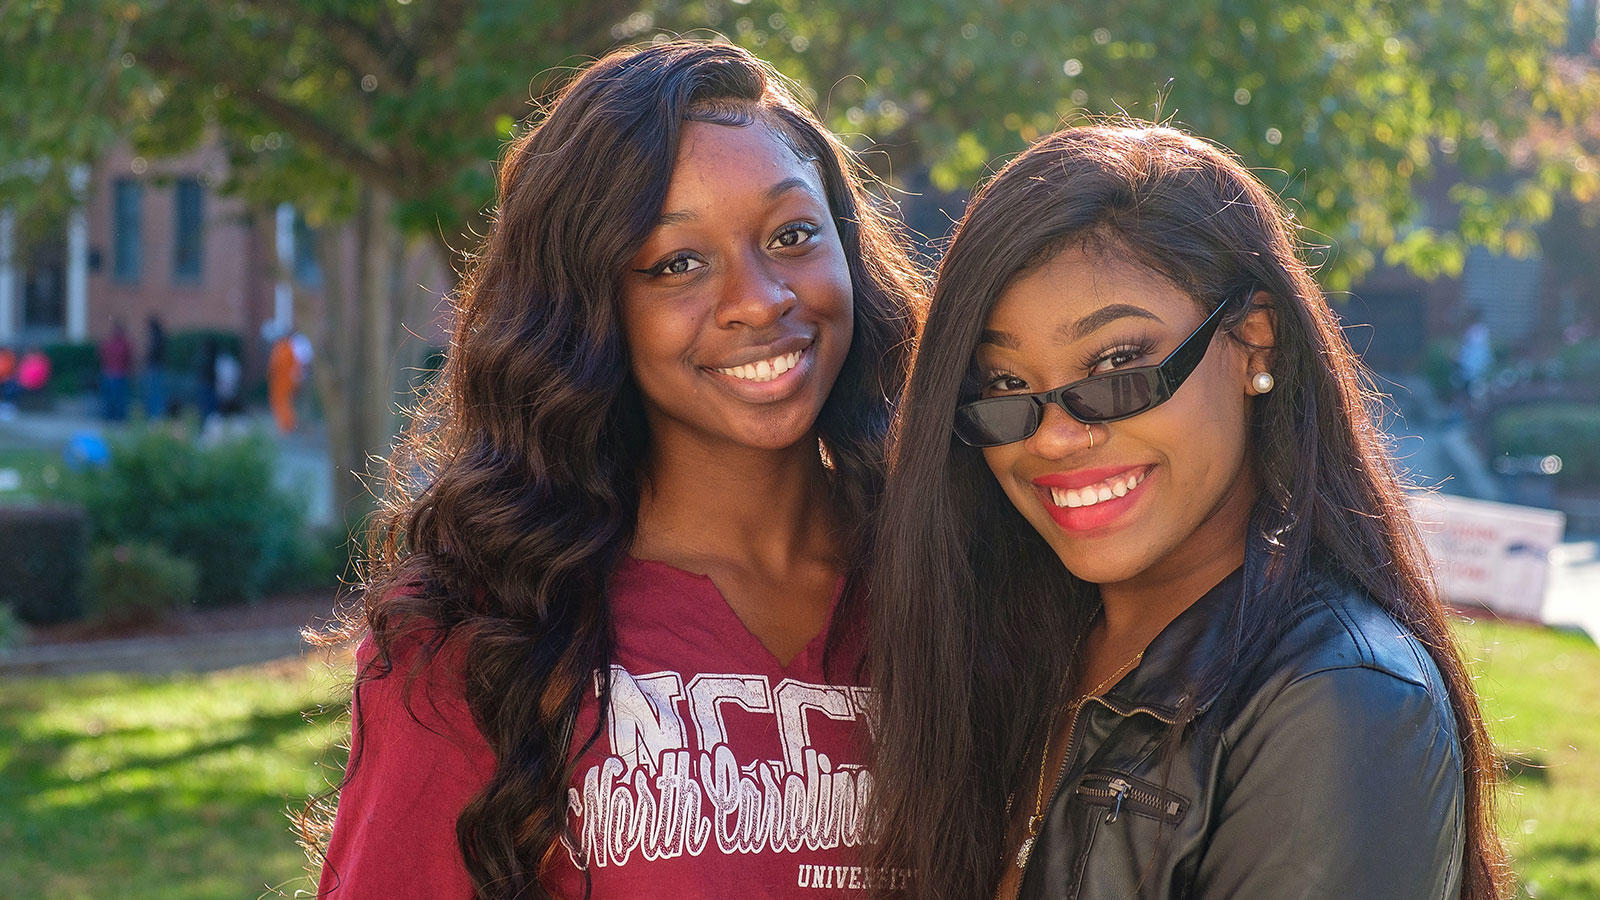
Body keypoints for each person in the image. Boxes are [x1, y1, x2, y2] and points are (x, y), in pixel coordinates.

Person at [311, 40, 921, 900]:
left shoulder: (948, 587)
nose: (760, 298)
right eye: (678, 263)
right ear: (592, 307)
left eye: (792, 235)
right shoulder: (481, 639)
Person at [865, 123, 1509, 900]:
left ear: (1255, 342)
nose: (1058, 436)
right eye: (1004, 385)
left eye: (1117, 366)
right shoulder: (1000, 646)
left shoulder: (1341, 702)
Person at [98, 320, 133, 421]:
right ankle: (115, 417)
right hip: (115, 373)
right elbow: (128, 358)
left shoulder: (112, 343)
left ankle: (114, 417)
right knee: (116, 398)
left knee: (115, 398)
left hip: (113, 373)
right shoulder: (122, 344)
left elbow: (102, 355)